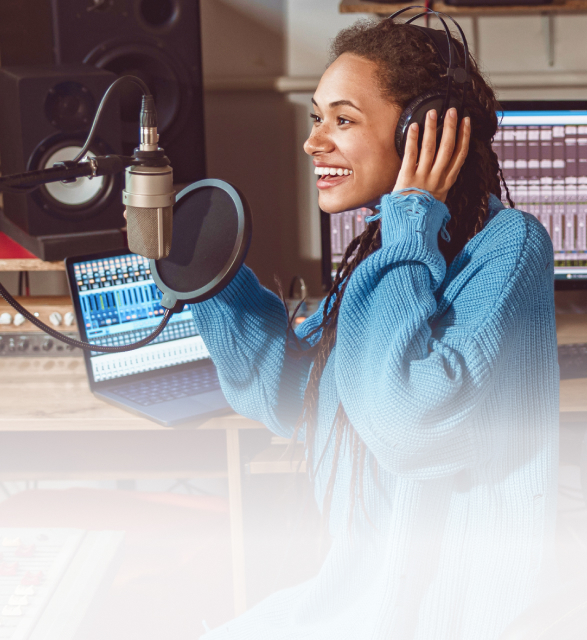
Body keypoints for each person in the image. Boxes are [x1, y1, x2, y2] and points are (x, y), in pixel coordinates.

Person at [195, 15, 558, 640]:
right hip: (358, 597)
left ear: (424, 133)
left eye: (343, 119)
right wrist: (208, 275)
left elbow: (404, 427)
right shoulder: (387, 254)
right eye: (316, 117)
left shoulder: (509, 249)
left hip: (444, 615)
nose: (314, 142)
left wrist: (409, 217)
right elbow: (295, 399)